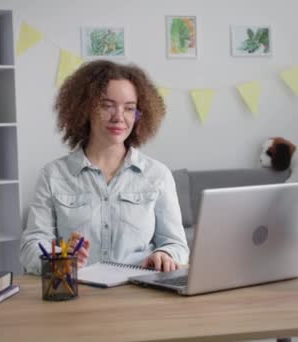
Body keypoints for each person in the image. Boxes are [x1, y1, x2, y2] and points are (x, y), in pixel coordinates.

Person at [20, 60, 189, 275]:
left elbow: (176, 245)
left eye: (129, 108)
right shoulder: (53, 175)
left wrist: (166, 255)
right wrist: (57, 259)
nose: (119, 117)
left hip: (139, 295)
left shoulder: (158, 175)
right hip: (77, 294)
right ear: (85, 108)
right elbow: (31, 244)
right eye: (107, 106)